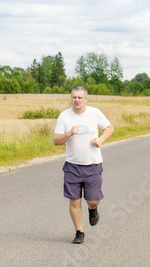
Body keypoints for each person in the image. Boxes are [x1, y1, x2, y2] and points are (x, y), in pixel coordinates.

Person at [53, 86, 114, 244]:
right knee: (74, 200)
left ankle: (93, 209)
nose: (77, 100)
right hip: (72, 166)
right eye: (74, 97)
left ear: (86, 99)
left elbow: (109, 128)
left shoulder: (95, 113)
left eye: (80, 97)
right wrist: (70, 133)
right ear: (71, 98)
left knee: (92, 200)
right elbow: (56, 141)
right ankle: (79, 231)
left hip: (93, 165)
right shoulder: (64, 116)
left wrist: (100, 140)